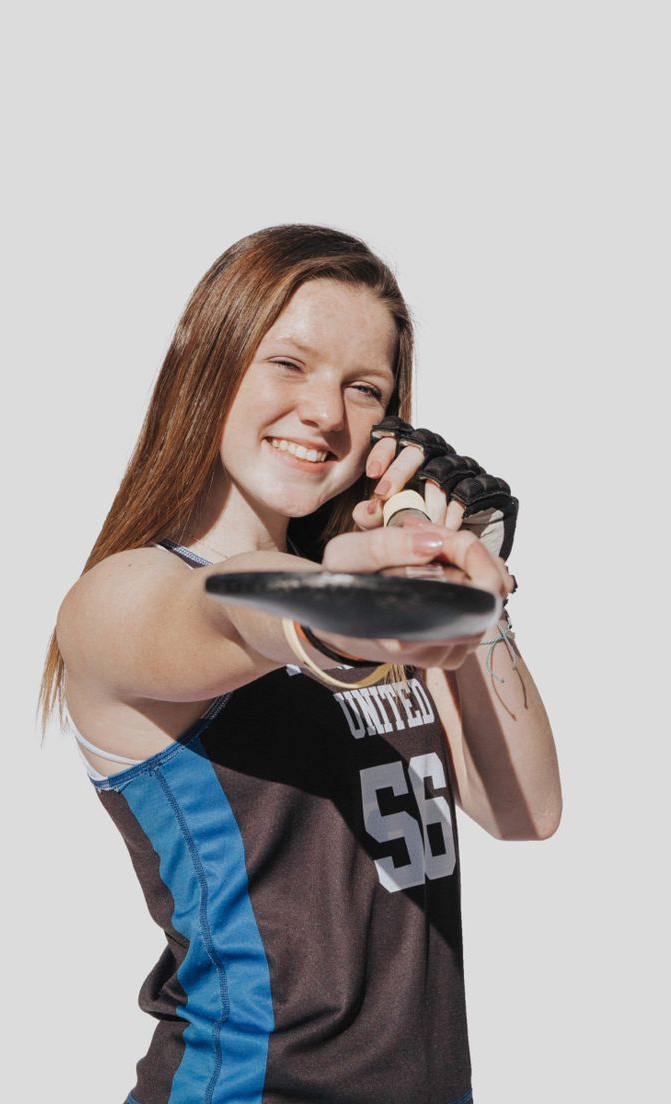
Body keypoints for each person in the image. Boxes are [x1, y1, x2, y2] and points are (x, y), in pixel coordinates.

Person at [39, 224, 561, 1104]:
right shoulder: (124, 595)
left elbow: (527, 809)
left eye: (366, 388)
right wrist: (362, 582)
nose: (327, 412)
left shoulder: (382, 601)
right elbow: (247, 605)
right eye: (289, 364)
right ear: (211, 365)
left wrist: (458, 572)